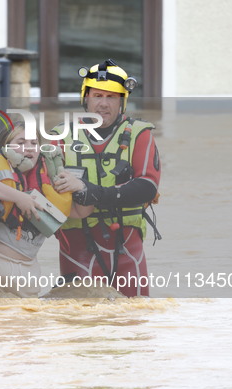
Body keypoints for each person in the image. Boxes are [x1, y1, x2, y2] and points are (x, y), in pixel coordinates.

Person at [51, 59, 162, 297]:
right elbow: (41, 189)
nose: (103, 104)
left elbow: (147, 187)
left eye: (111, 97)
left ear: (122, 101)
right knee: (81, 324)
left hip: (127, 246)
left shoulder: (139, 135)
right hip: (76, 246)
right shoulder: (58, 137)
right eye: (97, 95)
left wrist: (90, 192)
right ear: (86, 98)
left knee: (134, 321)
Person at [0, 121, 93, 297]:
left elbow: (81, 212)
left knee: (24, 323)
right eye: (20, 142)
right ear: (5, 147)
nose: (29, 148)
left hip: (27, 271)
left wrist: (80, 186)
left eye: (34, 143)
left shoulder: (50, 175)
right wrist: (19, 197)